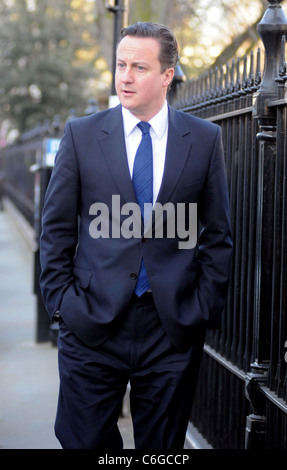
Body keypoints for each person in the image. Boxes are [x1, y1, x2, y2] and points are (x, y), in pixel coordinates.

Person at [40, 22, 232, 450]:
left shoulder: (203, 139)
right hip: (91, 321)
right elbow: (54, 228)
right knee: (82, 440)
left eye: (139, 67)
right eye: (121, 64)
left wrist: (202, 307)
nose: (125, 76)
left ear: (167, 75)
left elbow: (217, 234)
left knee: (161, 450)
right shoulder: (82, 135)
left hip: (171, 326)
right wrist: (62, 304)